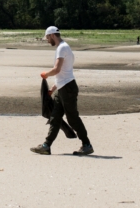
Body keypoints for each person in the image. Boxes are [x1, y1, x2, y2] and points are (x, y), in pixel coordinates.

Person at [30, 26, 93, 156]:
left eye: (47, 38)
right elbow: (63, 73)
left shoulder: (62, 48)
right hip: (63, 87)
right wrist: (53, 88)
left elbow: (57, 70)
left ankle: (87, 144)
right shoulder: (63, 47)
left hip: (68, 88)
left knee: (72, 118)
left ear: (52, 35)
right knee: (55, 117)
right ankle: (46, 146)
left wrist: (46, 75)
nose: (47, 40)